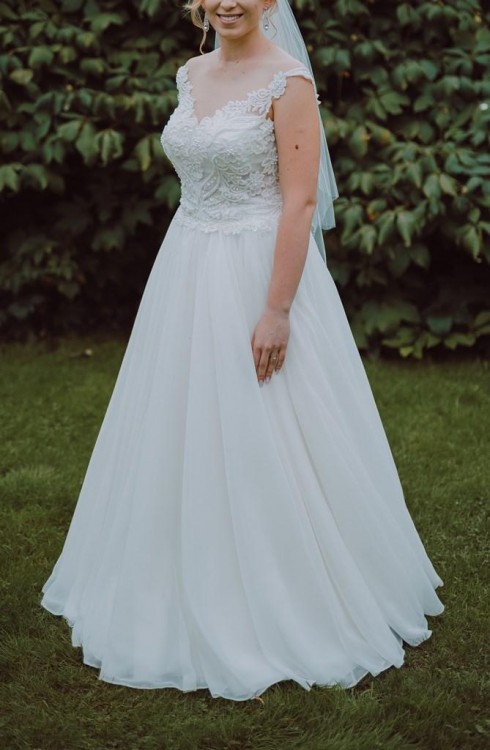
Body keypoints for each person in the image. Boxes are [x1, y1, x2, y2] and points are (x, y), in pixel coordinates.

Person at [40, 0, 444, 702]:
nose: (228, 2)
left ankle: (288, 588)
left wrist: (277, 310)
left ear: (267, 3)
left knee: (270, 422)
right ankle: (168, 574)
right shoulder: (189, 73)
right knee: (177, 422)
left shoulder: (289, 82)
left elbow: (299, 203)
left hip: (260, 268)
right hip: (188, 261)